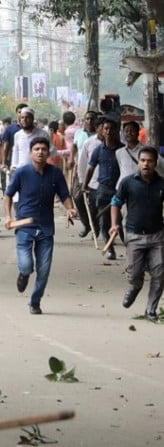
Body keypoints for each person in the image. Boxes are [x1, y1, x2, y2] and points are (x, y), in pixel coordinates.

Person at [4, 137, 78, 315]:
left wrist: (70, 210)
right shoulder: (21, 173)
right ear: (30, 152)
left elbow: (64, 195)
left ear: (48, 152)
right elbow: (8, 195)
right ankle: (23, 274)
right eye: (36, 149)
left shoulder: (55, 173)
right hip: (24, 226)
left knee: (44, 271)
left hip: (46, 228)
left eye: (43, 149)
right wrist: (8, 216)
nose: (40, 152)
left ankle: (35, 302)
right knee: (27, 266)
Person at [111, 146, 164, 321]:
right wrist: (114, 224)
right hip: (134, 235)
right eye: (142, 161)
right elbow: (115, 202)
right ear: (138, 163)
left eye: (149, 161)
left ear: (155, 163)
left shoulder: (162, 183)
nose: (146, 164)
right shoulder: (127, 183)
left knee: (159, 273)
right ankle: (135, 287)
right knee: (135, 274)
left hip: (157, 236)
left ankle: (151, 310)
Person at [82, 113, 122, 259]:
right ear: (102, 130)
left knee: (121, 220)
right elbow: (90, 168)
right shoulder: (98, 150)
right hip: (103, 188)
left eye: (111, 128)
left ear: (117, 131)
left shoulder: (122, 150)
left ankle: (128, 243)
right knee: (104, 221)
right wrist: (84, 185)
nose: (108, 131)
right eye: (106, 128)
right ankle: (110, 248)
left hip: (120, 189)